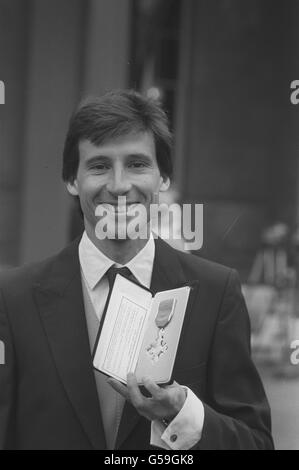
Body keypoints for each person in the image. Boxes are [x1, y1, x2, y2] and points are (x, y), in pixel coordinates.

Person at [0, 89, 273, 450]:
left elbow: (256, 443)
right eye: (99, 166)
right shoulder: (12, 298)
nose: (119, 186)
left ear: (162, 179)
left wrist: (183, 412)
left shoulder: (214, 292)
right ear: (71, 179)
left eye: (137, 164)